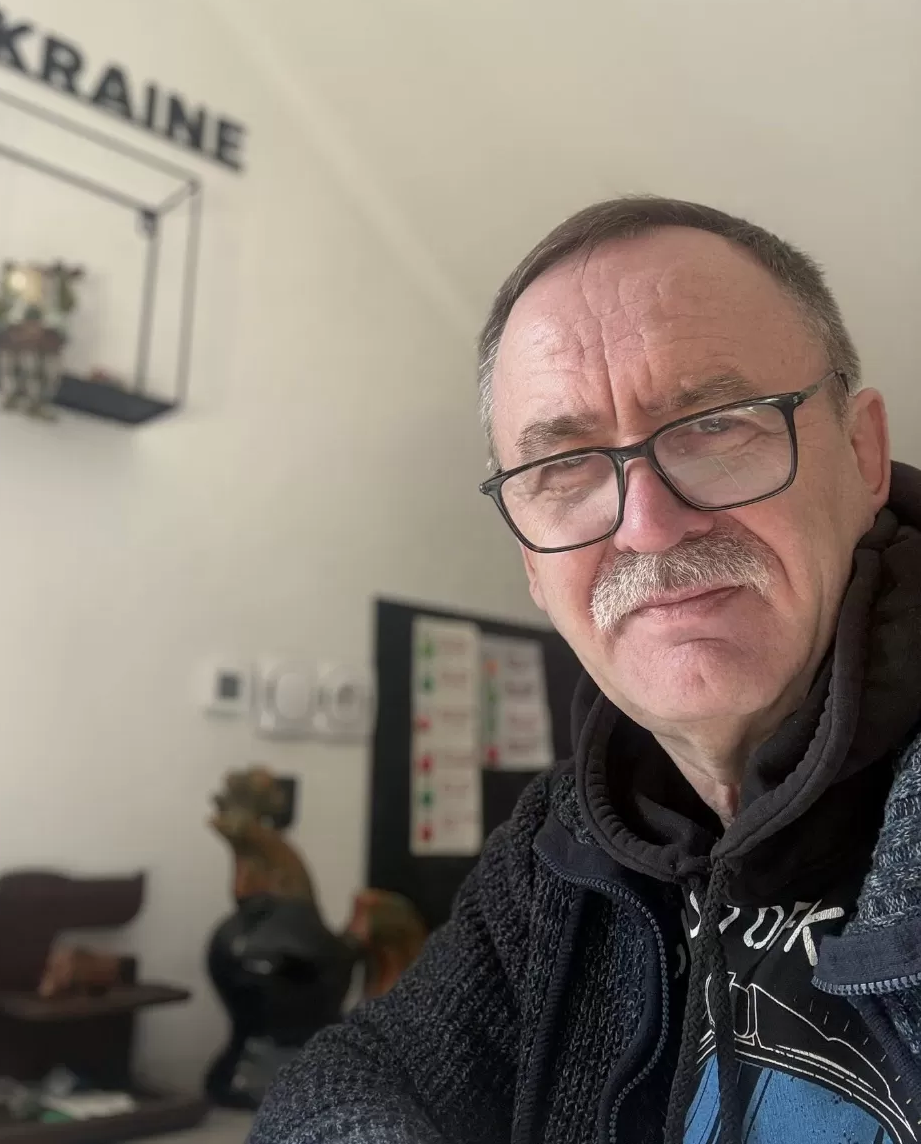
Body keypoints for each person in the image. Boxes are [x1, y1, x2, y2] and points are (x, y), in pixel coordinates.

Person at [251, 197, 921, 1144]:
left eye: (714, 425)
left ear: (862, 453)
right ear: (531, 562)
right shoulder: (562, 844)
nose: (646, 525)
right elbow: (356, 1070)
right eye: (563, 469)